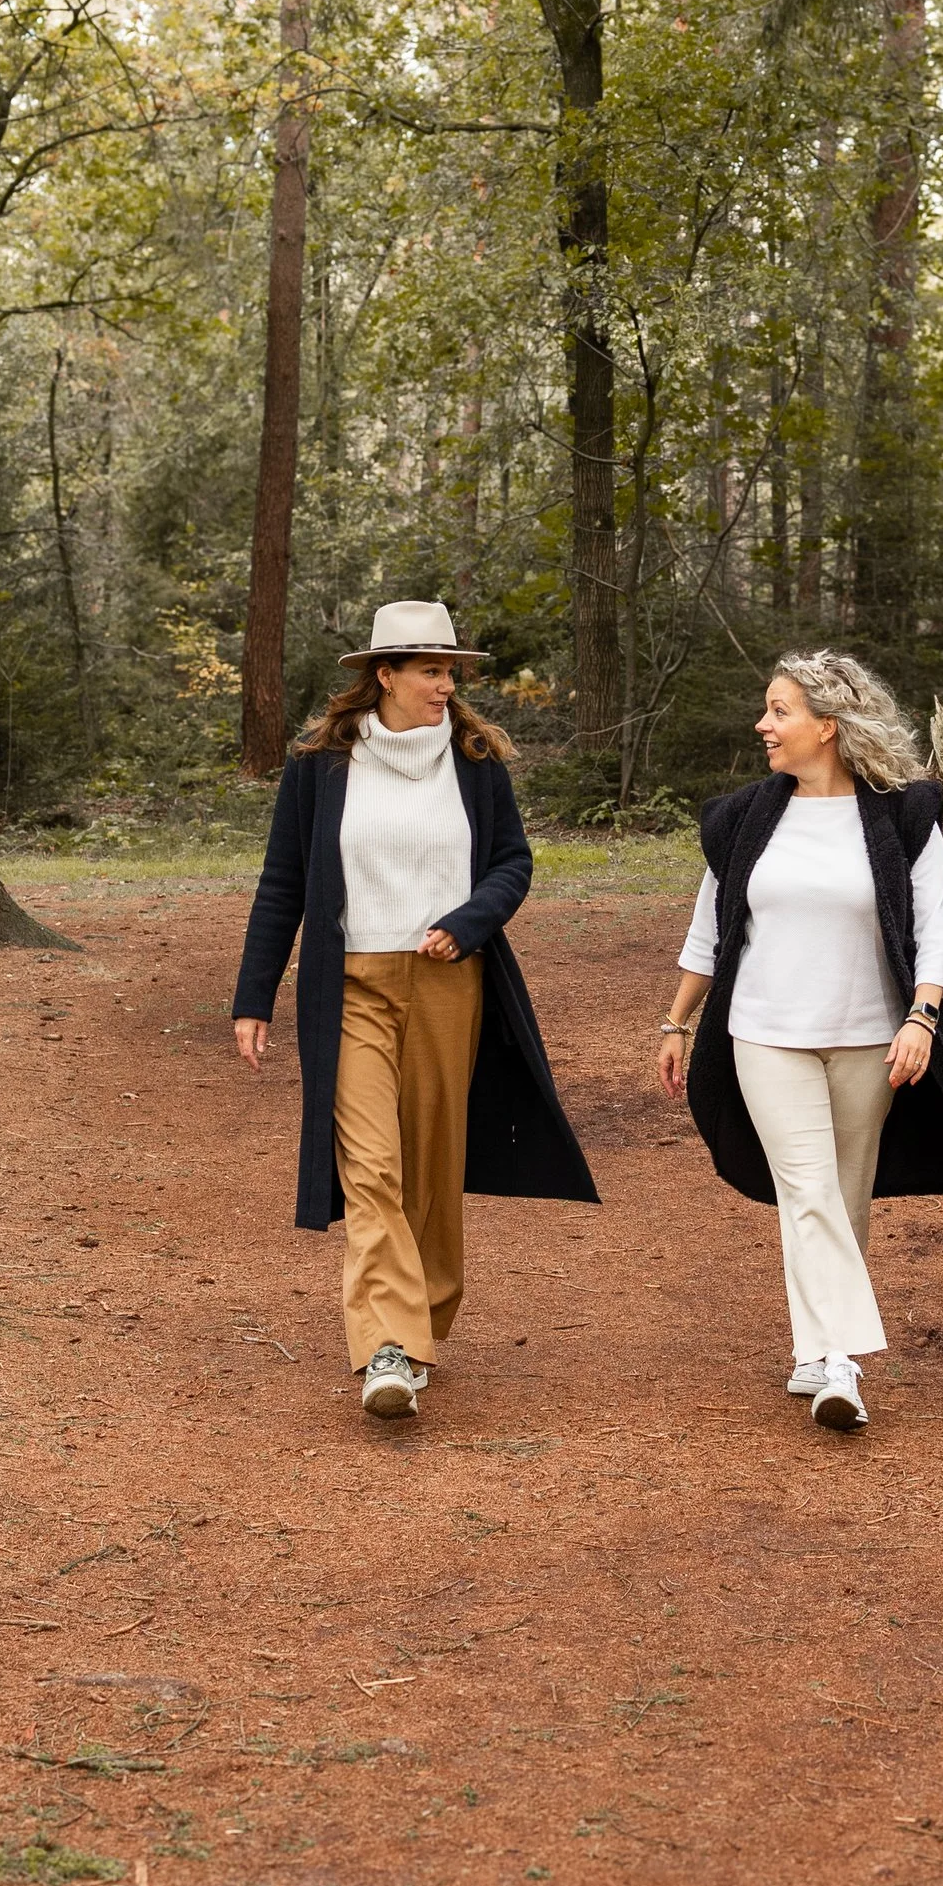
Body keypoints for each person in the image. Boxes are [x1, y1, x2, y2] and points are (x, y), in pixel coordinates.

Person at [232, 599, 597, 1419]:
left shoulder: (473, 759)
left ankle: (424, 1315)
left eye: (451, 670)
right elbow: (282, 882)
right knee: (370, 1166)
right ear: (383, 674)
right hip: (350, 983)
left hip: (446, 982)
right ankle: (388, 1347)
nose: (446, 684)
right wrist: (255, 996)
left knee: (432, 1163)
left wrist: (466, 924)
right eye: (430, 669)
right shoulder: (321, 764)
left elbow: (512, 863)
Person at [656, 650, 943, 1431]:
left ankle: (814, 1348)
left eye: (780, 711)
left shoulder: (903, 816)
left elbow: (933, 933)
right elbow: (708, 931)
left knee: (845, 1195)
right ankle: (839, 1364)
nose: (764, 724)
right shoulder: (743, 818)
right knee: (808, 1188)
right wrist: (676, 1020)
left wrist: (923, 1016)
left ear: (828, 727)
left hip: (869, 1039)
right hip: (765, 1033)